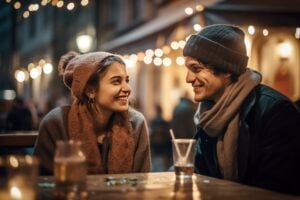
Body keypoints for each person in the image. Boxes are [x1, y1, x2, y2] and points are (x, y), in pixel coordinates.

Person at [182, 24, 300, 195]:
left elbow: (276, 190)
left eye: (196, 69)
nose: (188, 78)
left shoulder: (277, 112)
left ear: (227, 70)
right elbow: (202, 176)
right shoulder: (208, 115)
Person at [34, 51, 151, 175]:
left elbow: (141, 181)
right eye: (116, 81)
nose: (127, 88)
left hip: (127, 194)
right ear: (90, 91)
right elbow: (43, 182)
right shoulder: (56, 123)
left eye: (126, 80)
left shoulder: (136, 123)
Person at [149, 104, 171, 171]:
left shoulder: (153, 121)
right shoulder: (164, 121)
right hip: (162, 145)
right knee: (162, 163)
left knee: (156, 162)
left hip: (156, 145)